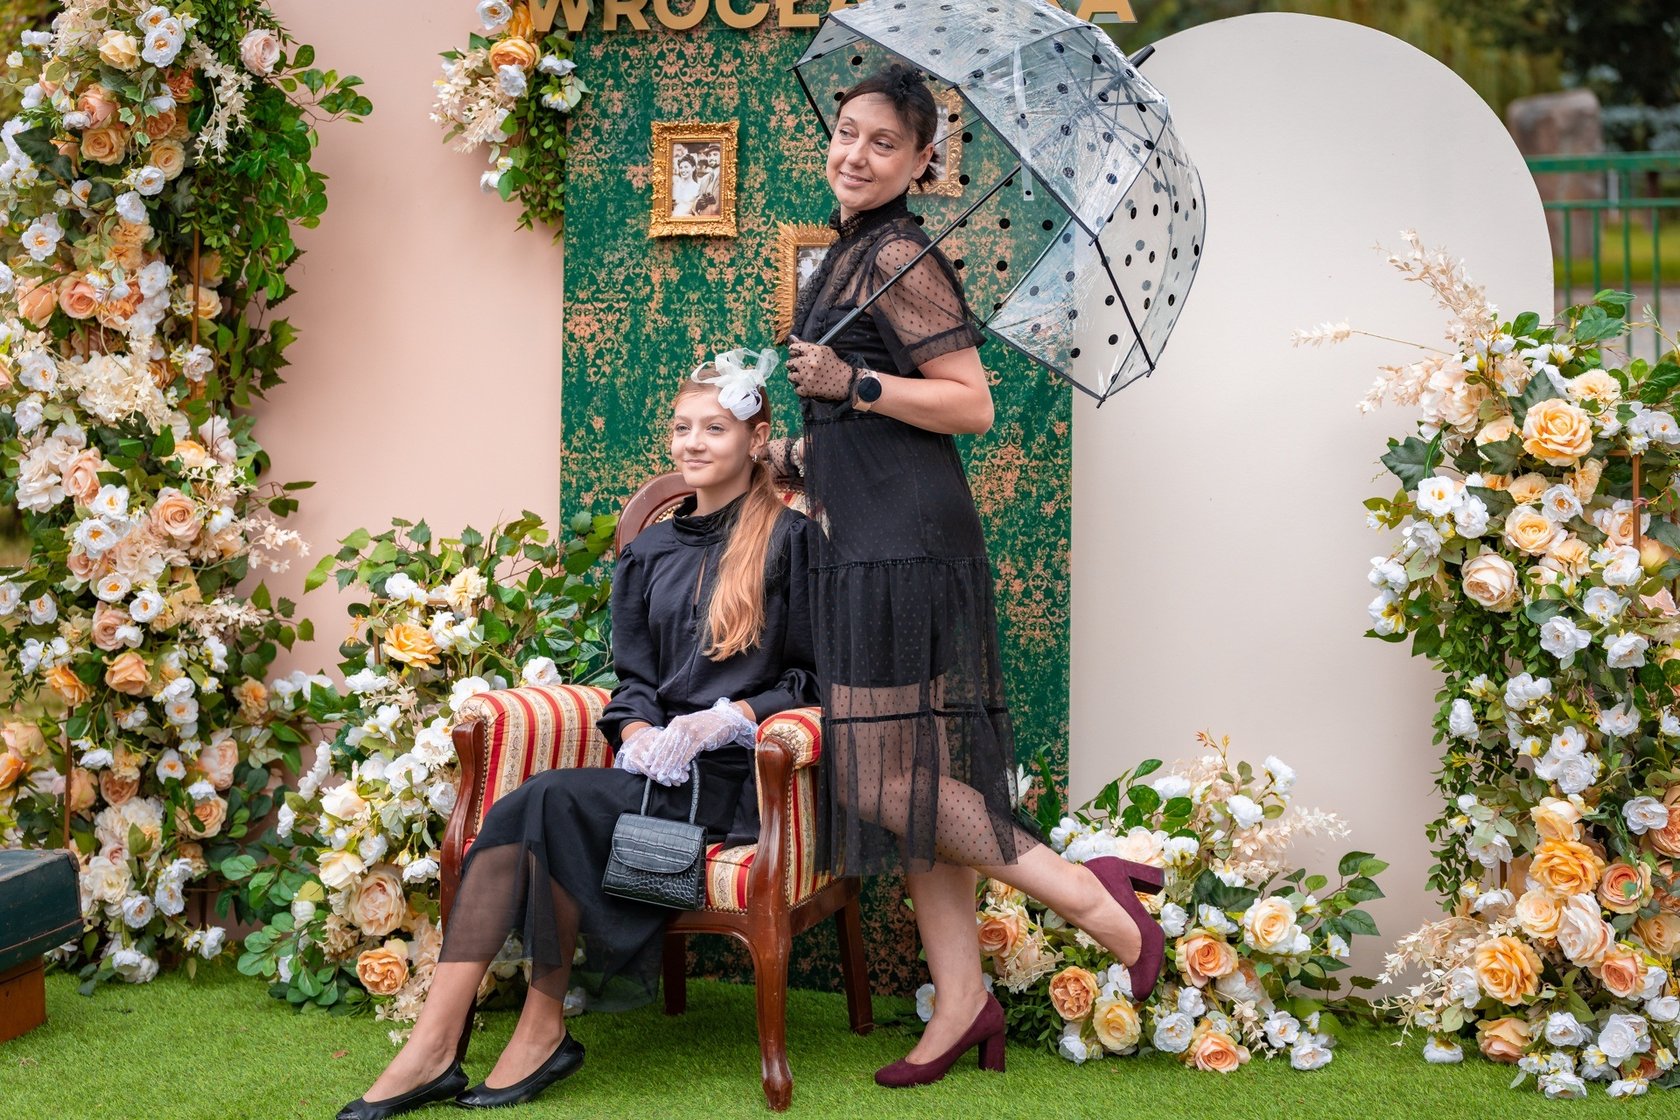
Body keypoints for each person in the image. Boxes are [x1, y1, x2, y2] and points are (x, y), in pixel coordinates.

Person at [772, 64, 1166, 1088]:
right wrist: (804, 453)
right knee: (906, 778)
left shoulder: (900, 252)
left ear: (922, 161)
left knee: (876, 779)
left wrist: (854, 381)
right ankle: (961, 1000)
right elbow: (864, 423)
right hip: (865, 535)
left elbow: (968, 403)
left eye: (884, 143)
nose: (856, 154)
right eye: (847, 132)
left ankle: (1089, 894)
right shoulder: (851, 250)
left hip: (904, 545)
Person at [337, 350, 815, 1119]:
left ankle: (459, 1044)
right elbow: (632, 682)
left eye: (715, 429)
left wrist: (725, 720)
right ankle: (490, 1036)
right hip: (652, 773)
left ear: (756, 440)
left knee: (544, 802)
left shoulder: (792, 541)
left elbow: (814, 678)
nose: (692, 443)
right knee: (541, 810)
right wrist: (638, 732)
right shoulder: (649, 552)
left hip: (738, 781)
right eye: (682, 427)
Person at [671, 153, 702, 218]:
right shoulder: (675, 186)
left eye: (686, 167)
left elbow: (698, 212)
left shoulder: (697, 188)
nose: (683, 170)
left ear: (693, 168)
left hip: (687, 221)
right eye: (681, 167)